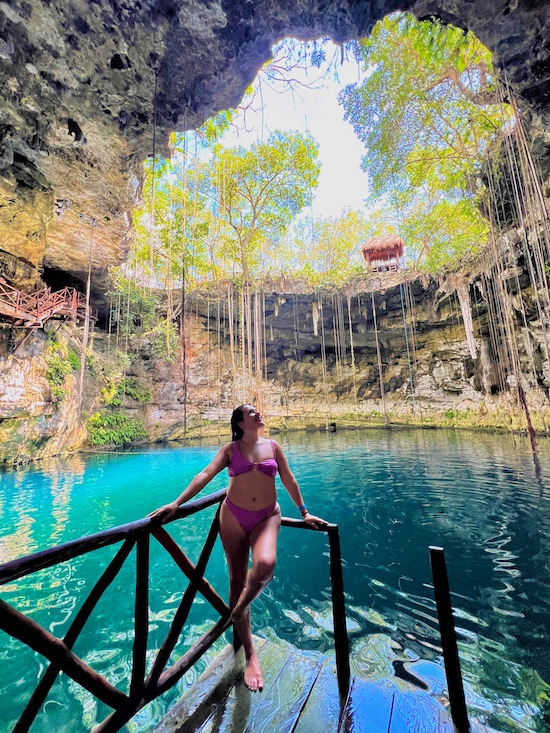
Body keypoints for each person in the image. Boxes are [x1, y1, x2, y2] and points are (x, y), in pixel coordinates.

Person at [150, 404, 327, 692]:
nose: (258, 413)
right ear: (240, 422)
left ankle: (237, 610)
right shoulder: (230, 449)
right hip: (232, 516)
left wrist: (304, 512)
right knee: (236, 580)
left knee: (265, 564)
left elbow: (289, 479)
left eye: (257, 411)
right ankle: (250, 654)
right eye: (251, 412)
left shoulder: (273, 446)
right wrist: (176, 503)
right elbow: (205, 474)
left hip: (267, 515)